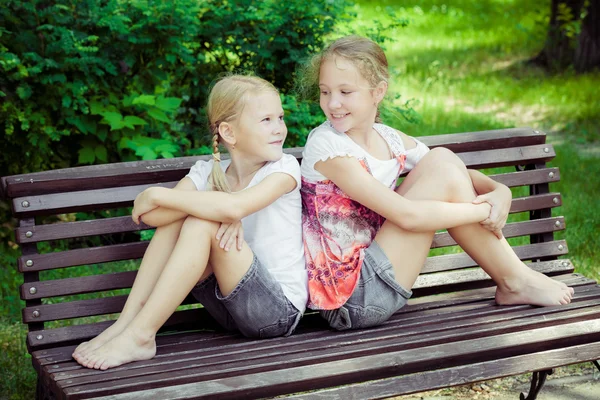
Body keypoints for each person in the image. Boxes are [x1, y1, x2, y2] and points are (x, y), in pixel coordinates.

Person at [298, 35, 574, 331]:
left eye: (345, 91)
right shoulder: (326, 146)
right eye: (325, 92)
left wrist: (499, 191)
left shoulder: (387, 138)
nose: (332, 103)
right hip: (352, 299)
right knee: (440, 167)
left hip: (377, 274)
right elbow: (407, 216)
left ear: (378, 92)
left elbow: (451, 170)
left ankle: (515, 279)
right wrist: (484, 211)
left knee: (441, 158)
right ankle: (515, 279)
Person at [72, 75, 308, 370]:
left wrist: (157, 193)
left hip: (276, 312)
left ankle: (142, 335)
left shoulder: (283, 170)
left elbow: (235, 207)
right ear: (229, 133)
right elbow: (154, 217)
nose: (279, 128)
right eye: (266, 120)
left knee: (199, 221)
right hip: (227, 310)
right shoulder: (208, 172)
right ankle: (127, 323)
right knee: (182, 220)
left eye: (280, 117)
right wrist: (208, 206)